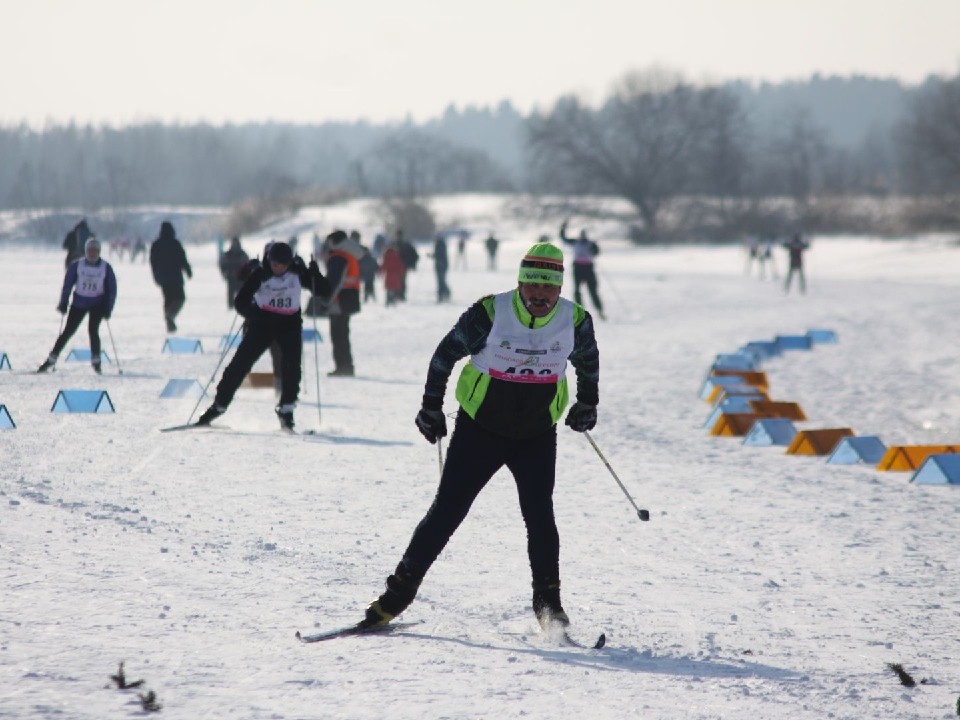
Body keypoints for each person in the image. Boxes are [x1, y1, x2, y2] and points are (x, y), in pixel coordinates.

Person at [359, 241, 600, 632]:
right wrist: (431, 407)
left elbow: (588, 360)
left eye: (548, 288)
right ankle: (396, 596)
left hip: (537, 432)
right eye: (532, 286)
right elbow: (444, 355)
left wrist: (587, 402)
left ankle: (549, 605)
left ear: (559, 287)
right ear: (520, 283)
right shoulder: (491, 312)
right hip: (480, 428)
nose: (539, 295)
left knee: (540, 517)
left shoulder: (574, 320)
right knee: (447, 513)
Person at [196, 242, 330, 431]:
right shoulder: (260, 274)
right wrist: (256, 314)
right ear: (269, 260)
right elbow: (240, 302)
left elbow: (324, 291)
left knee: (292, 368)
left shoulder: (298, 272)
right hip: (262, 325)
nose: (278, 268)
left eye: (282, 265)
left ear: (289, 263)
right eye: (275, 264)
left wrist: (315, 274)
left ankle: (286, 409)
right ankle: (218, 406)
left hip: (289, 325)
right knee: (239, 365)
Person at [37, 238, 117, 374]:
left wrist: (108, 308)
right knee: (68, 331)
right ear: (86, 251)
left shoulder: (106, 267)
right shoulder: (77, 265)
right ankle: (51, 359)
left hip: (97, 304)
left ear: (99, 252)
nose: (92, 254)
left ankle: (96, 362)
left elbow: (112, 289)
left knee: (93, 330)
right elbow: (67, 285)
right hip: (79, 303)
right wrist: (63, 302)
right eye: (90, 251)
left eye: (95, 251)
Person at [322, 229, 363, 377]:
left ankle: (342, 367)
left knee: (338, 335)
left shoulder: (338, 257)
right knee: (343, 335)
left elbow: (335, 282)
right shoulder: (351, 255)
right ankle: (347, 366)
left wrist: (326, 300)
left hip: (338, 302)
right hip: (349, 300)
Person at [149, 221, 193, 332]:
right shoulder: (175, 243)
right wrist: (188, 271)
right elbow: (183, 259)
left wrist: (155, 275)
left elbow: (152, 261)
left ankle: (169, 323)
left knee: (168, 299)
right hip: (176, 276)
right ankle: (171, 315)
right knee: (180, 298)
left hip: (163, 278)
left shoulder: (156, 244)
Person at [559, 220, 605, 320]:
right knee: (577, 291)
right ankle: (580, 312)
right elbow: (563, 238)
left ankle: (600, 310)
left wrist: (594, 251)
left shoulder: (591, 243)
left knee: (592, 291)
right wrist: (562, 229)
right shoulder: (575, 242)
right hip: (578, 269)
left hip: (588, 269)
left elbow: (597, 251)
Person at [218, 236, 250, 309]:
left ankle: (240, 305)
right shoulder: (228, 254)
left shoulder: (242, 254)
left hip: (240, 277)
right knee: (231, 292)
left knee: (241, 292)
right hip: (231, 276)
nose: (234, 245)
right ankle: (231, 306)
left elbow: (247, 264)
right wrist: (225, 272)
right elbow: (222, 264)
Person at [380, 240, 406, 306]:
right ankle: (393, 300)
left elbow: (384, 265)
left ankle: (388, 300)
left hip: (388, 275)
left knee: (389, 288)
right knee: (394, 288)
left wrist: (380, 271)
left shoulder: (386, 256)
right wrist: (401, 273)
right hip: (395, 275)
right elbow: (400, 266)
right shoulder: (396, 256)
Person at [396, 230, 419, 301]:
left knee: (402, 281)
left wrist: (412, 264)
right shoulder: (395, 244)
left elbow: (414, 255)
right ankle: (397, 294)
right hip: (396, 266)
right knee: (397, 281)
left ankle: (401, 295)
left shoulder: (405, 245)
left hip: (403, 266)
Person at [432, 233, 451, 302]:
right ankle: (443, 294)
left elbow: (440, 254)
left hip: (442, 265)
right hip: (439, 265)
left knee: (441, 280)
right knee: (440, 280)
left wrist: (434, 255)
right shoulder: (439, 244)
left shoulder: (440, 244)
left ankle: (443, 294)